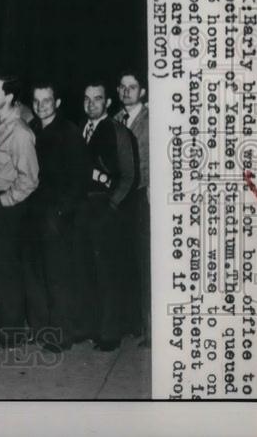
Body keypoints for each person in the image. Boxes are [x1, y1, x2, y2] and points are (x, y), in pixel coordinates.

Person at [23, 81, 90, 352]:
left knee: (58, 277)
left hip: (57, 216)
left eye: (47, 101)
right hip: (33, 213)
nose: (41, 106)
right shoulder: (32, 130)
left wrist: (62, 211)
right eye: (37, 101)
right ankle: (41, 330)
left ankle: (62, 335)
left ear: (57, 103)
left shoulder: (69, 132)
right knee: (36, 274)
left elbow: (80, 178)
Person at [0, 73, 39, 348]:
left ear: (9, 96)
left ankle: (13, 330)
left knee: (6, 270)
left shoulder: (21, 132)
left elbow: (30, 178)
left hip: (6, 205)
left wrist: (6, 200)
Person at [76, 80, 137, 352]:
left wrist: (112, 206)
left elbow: (130, 175)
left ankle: (111, 333)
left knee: (109, 273)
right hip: (83, 208)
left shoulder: (118, 132)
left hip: (107, 209)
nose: (91, 104)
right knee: (88, 270)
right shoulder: (80, 130)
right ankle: (92, 326)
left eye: (97, 99)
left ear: (107, 102)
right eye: (87, 99)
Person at [115, 70, 151, 348]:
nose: (127, 91)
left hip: (142, 197)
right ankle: (130, 323)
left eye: (133, 87)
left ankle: (150, 329)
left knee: (145, 263)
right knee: (124, 261)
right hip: (120, 199)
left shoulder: (152, 120)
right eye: (123, 87)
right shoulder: (114, 120)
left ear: (142, 92)